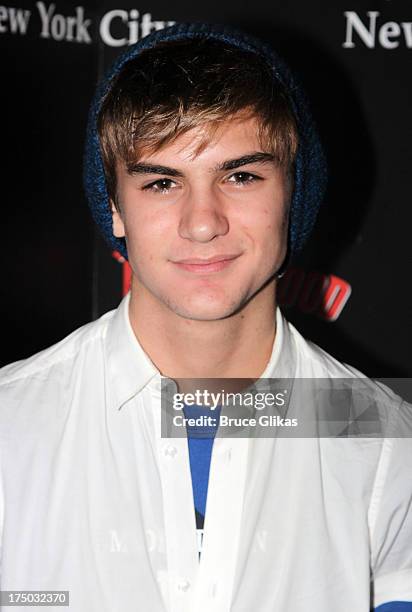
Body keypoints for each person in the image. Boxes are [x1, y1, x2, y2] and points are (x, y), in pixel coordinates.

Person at [0, 22, 411, 612]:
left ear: (292, 195)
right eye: (162, 182)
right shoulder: (11, 429)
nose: (202, 221)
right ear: (115, 208)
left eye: (240, 176)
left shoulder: (385, 442)